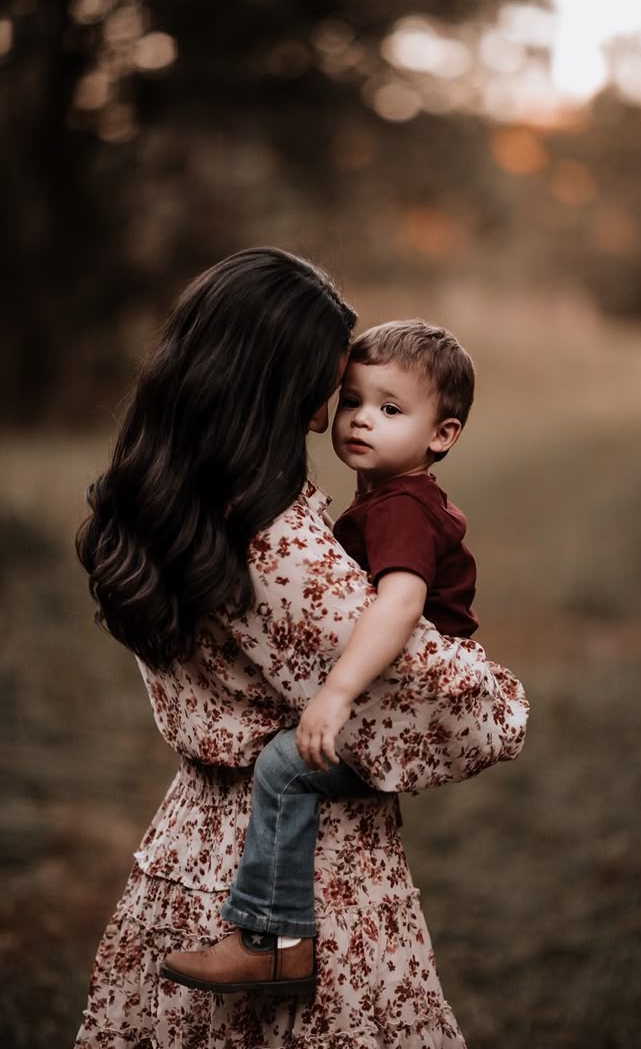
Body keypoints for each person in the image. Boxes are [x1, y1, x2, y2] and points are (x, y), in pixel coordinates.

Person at [74, 247, 529, 1049]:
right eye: (334, 383)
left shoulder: (152, 507)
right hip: (312, 881)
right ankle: (269, 945)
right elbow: (467, 717)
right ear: (284, 383)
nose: (337, 410)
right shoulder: (281, 545)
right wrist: (501, 695)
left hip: (183, 856)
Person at [162, 320, 490, 997]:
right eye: (352, 402)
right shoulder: (386, 500)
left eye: (390, 410)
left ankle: (273, 940)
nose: (361, 420)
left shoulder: (402, 509)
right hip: (391, 698)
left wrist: (336, 693)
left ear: (442, 435)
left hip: (400, 702)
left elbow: (399, 606)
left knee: (285, 769)